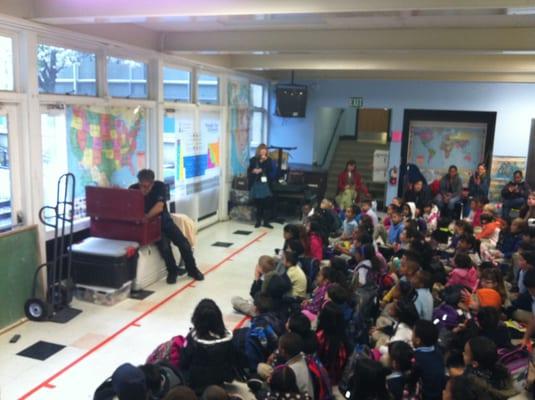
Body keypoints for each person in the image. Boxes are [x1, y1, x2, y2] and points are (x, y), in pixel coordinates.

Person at [130, 169, 204, 283]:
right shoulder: (133, 189)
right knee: (164, 247)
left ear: (152, 184)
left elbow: (159, 207)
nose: (143, 189)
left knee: (183, 243)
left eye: (146, 186)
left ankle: (192, 269)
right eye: (141, 186)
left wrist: (145, 217)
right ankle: (172, 271)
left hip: (164, 220)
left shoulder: (160, 187)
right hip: (150, 226)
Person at [180, 299, 235, 393]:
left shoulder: (192, 339)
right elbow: (232, 363)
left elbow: (184, 362)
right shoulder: (227, 340)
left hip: (194, 385)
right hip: (218, 383)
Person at [248, 143, 274, 229]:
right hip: (257, 183)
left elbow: (270, 169)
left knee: (267, 203)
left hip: (266, 184)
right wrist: (253, 170)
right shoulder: (253, 160)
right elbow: (249, 169)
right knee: (258, 204)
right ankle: (258, 221)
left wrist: (263, 163)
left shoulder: (269, 160)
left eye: (265, 150)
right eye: (261, 150)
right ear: (258, 151)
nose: (263, 151)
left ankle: (266, 222)